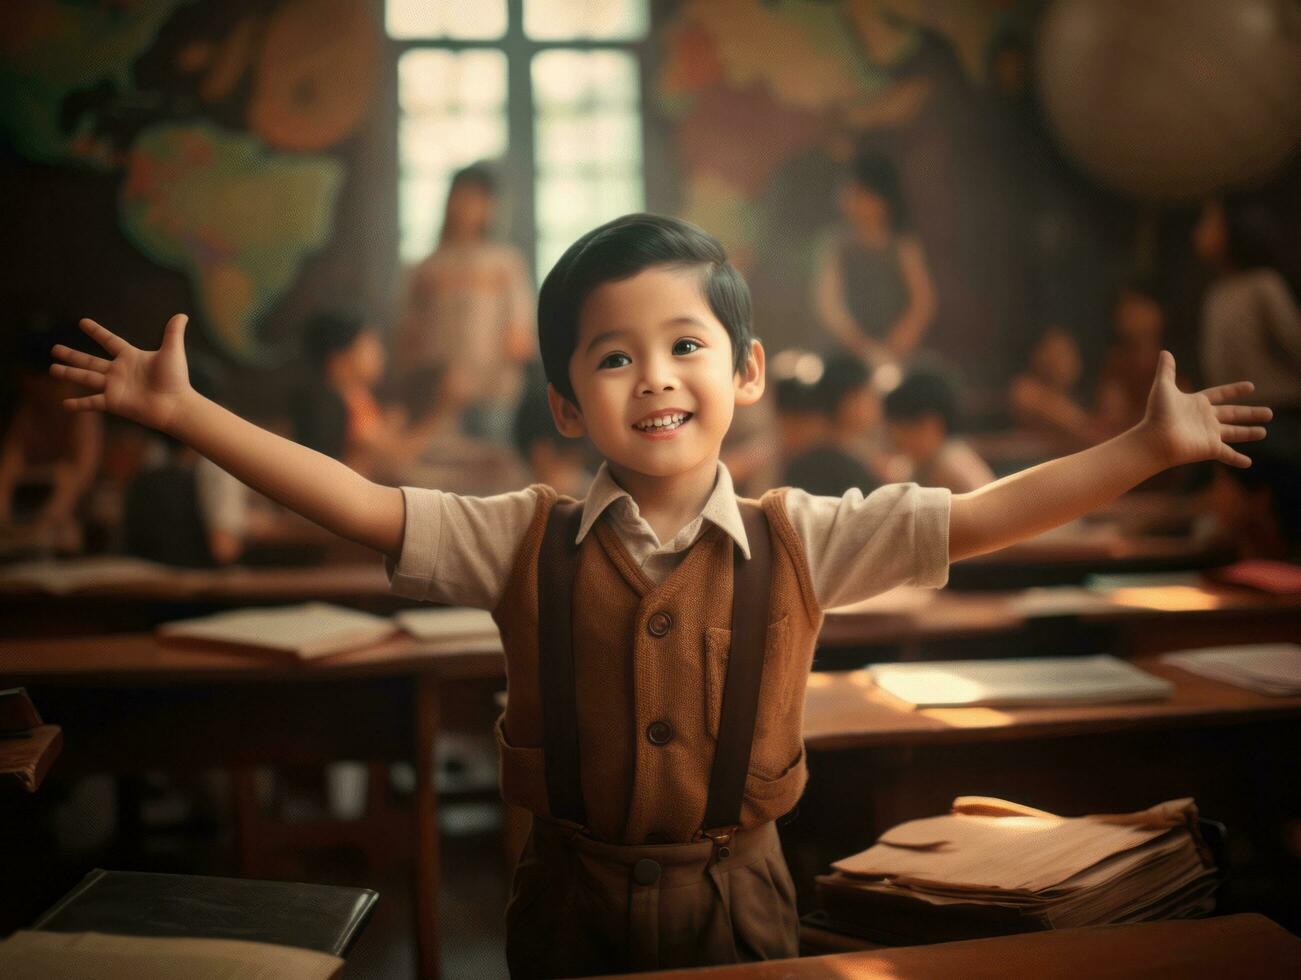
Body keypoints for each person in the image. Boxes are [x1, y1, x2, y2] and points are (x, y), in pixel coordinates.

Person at [53, 213, 1269, 976]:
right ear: (569, 405)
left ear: (742, 371)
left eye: (685, 344)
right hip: (564, 900)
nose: (655, 377)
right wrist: (188, 414)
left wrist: (1139, 448)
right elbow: (361, 501)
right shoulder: (515, 540)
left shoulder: (805, 540)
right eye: (613, 354)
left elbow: (981, 513)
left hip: (740, 894)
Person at [397, 162, 535, 445]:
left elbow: (519, 335)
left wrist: (481, 378)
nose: (466, 207)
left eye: (477, 199)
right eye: (460, 197)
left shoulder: (504, 263)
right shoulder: (428, 267)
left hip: (492, 394)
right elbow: (408, 335)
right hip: (437, 396)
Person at [1194, 199, 1301, 551]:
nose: (1200, 231)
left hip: (1278, 420)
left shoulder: (1263, 285)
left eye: (1210, 221)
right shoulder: (1217, 294)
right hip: (1231, 425)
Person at [812, 154, 936, 367]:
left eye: (862, 194)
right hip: (847, 353)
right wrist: (857, 343)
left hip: (896, 353)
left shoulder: (902, 246)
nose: (852, 200)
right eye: (849, 192)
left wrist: (897, 343)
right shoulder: (837, 245)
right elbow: (828, 303)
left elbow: (922, 303)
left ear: (883, 199)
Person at [0, 322, 104, 553]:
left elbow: (82, 471)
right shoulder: (29, 413)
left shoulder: (83, 414)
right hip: (31, 500)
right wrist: (5, 519)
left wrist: (49, 522)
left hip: (71, 507)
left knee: (66, 479)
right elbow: (9, 468)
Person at [884, 367, 996, 493]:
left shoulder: (951, 464)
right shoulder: (922, 463)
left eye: (904, 429)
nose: (897, 439)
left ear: (930, 425)